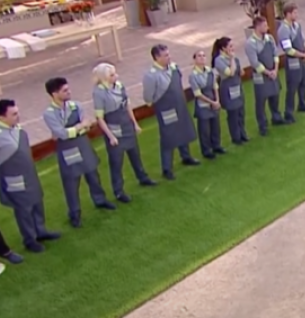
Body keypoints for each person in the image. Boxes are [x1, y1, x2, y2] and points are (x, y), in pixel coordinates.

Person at [0, 99, 60, 253]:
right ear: (2, 117)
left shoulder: (15, 128)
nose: (18, 116)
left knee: (37, 203)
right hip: (15, 181)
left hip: (29, 176)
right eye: (14, 114)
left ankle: (40, 231)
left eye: (17, 112)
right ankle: (30, 240)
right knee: (24, 210)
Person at [43, 77, 115, 228]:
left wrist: (74, 130)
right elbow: (62, 134)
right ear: (54, 94)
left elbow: (86, 126)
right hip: (68, 150)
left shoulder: (76, 105)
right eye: (65, 90)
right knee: (71, 183)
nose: (69, 92)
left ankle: (100, 200)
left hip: (83, 145)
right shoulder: (49, 114)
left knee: (93, 175)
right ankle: (74, 214)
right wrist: (79, 127)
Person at [92, 63, 157, 202]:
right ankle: (118, 191)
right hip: (114, 129)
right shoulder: (99, 93)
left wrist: (135, 124)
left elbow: (127, 106)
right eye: (112, 75)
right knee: (116, 162)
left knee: (135, 154)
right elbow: (100, 118)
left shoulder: (119, 86)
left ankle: (142, 177)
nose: (116, 76)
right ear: (104, 78)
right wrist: (110, 136)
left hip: (126, 125)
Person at [143, 44, 200, 180]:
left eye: (168, 54)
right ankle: (167, 168)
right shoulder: (151, 75)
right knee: (168, 137)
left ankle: (186, 156)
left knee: (182, 130)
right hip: (166, 109)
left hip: (179, 106)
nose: (169, 57)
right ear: (157, 58)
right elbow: (148, 97)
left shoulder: (174, 67)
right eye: (166, 55)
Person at [245, 16, 285, 135]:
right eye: (264, 25)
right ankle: (262, 125)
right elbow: (255, 63)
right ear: (257, 27)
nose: (267, 27)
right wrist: (268, 72)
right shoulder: (250, 43)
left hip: (273, 73)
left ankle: (276, 117)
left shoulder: (270, 38)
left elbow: (275, 54)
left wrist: (275, 70)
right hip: (261, 77)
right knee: (261, 101)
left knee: (275, 96)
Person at [277, 3, 305, 123]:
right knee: (292, 86)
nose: (297, 15)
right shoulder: (283, 30)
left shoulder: (297, 25)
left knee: (304, 82)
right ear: (288, 14)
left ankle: (302, 103)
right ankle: (288, 112)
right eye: (295, 13)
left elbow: (304, 39)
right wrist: (303, 55)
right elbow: (288, 50)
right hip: (293, 61)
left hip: (302, 60)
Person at [212, 37, 249, 145]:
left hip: (237, 86)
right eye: (230, 46)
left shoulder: (234, 58)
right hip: (228, 88)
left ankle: (243, 134)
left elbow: (240, 72)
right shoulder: (219, 60)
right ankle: (236, 137)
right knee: (233, 114)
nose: (233, 48)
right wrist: (232, 59)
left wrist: (238, 64)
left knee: (241, 112)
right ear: (223, 48)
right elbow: (230, 73)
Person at [189, 51, 225, 159]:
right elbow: (198, 94)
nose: (202, 57)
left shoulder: (210, 71)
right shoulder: (193, 75)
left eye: (204, 55)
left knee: (215, 126)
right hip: (203, 105)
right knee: (204, 130)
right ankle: (206, 150)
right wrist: (212, 102)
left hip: (213, 103)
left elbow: (215, 86)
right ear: (194, 59)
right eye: (199, 56)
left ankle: (216, 145)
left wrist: (217, 100)